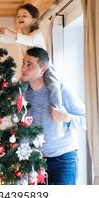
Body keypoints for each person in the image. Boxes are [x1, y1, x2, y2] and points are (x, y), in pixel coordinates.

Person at [0, 3, 64, 136]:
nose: (20, 17)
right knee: (19, 90)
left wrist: (10, 32)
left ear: (34, 20)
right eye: (19, 15)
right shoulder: (18, 34)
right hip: (29, 70)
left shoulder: (36, 34)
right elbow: (8, 39)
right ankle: (18, 120)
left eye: (24, 15)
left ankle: (58, 114)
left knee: (54, 87)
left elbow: (29, 41)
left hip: (45, 68)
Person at [20, 47, 86, 185]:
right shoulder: (20, 93)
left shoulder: (62, 90)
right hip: (35, 161)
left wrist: (66, 118)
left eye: (29, 65)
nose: (23, 68)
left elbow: (86, 120)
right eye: (23, 62)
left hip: (63, 159)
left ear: (43, 70)